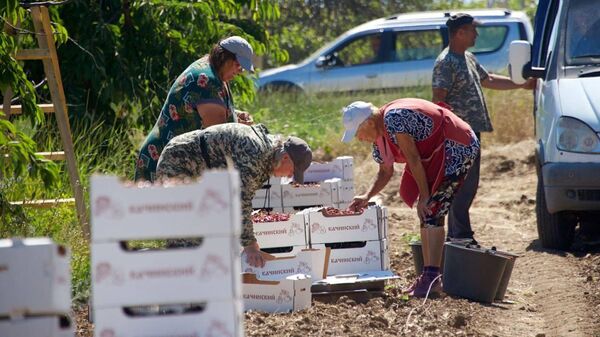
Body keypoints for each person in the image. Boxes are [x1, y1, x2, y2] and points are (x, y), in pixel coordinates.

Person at [341, 98, 480, 297]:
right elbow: (385, 172)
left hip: (457, 145)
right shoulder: (380, 137)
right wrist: (366, 195)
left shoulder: (395, 119)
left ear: (369, 123)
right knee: (427, 213)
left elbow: (413, 158)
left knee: (432, 208)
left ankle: (433, 278)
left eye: (358, 133)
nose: (359, 139)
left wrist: (424, 196)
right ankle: (429, 275)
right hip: (435, 153)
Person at [432, 13, 535, 242]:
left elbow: (488, 80)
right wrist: (447, 135)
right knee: (461, 186)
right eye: (472, 30)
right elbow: (438, 101)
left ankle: (460, 235)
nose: (476, 34)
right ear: (460, 33)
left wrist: (521, 84)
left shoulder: (467, 57)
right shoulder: (445, 63)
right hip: (457, 135)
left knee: (469, 185)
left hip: (470, 133)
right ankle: (460, 236)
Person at [155, 123, 312, 268]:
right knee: (185, 235)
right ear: (285, 158)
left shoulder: (267, 154)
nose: (290, 175)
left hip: (200, 168)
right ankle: (176, 286)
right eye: (293, 170)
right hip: (179, 160)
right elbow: (240, 200)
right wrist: (250, 245)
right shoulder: (255, 154)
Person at [134, 36, 256, 182]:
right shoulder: (206, 81)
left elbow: (201, 109)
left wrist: (234, 115)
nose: (240, 71)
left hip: (177, 162)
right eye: (238, 65)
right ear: (224, 57)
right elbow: (220, 139)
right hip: (164, 163)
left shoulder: (214, 70)